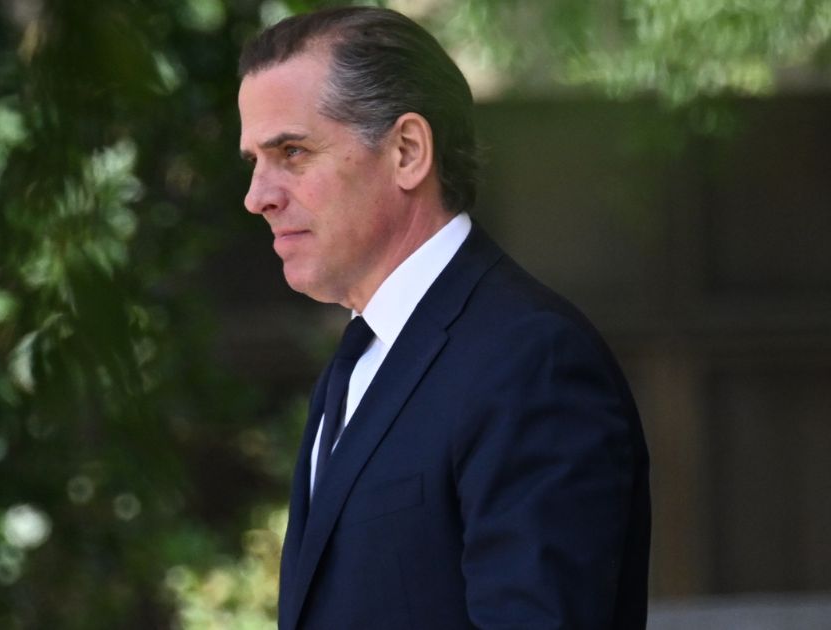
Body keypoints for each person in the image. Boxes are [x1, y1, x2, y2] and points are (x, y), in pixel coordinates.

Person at [237, 7, 650, 629]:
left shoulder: (530, 360)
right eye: (254, 162)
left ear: (407, 151)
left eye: (292, 152)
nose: (257, 197)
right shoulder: (359, 361)